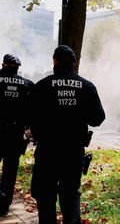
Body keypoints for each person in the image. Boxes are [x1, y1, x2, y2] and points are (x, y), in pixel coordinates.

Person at [28, 45, 105, 223]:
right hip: (73, 152)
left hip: (47, 151)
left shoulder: (42, 86)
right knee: (70, 196)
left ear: (54, 61)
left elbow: (28, 116)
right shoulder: (87, 86)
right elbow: (98, 119)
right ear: (74, 63)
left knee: (46, 197)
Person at [0, 54, 33, 216]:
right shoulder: (27, 85)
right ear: (18, 67)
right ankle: (4, 206)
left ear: (3, 65)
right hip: (15, 135)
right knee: (10, 172)